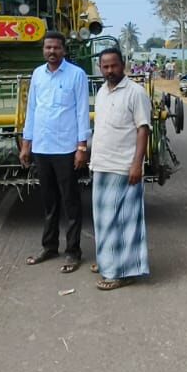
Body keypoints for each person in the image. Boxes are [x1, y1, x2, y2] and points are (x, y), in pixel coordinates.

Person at [21, 31, 91, 274]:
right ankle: (49, 247)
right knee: (48, 202)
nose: (52, 52)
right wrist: (26, 143)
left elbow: (82, 112)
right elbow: (31, 110)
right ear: (43, 50)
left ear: (64, 50)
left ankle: (73, 252)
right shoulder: (37, 75)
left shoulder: (76, 75)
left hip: (66, 148)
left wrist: (82, 147)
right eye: (48, 48)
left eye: (56, 48)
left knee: (70, 202)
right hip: (42, 147)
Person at [89, 48, 151, 291]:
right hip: (102, 165)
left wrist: (137, 164)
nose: (109, 71)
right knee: (104, 220)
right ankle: (106, 260)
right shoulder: (102, 91)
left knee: (124, 221)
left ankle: (121, 272)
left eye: (113, 66)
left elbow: (143, 129)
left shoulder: (136, 92)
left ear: (123, 65)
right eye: (105, 67)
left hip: (124, 167)